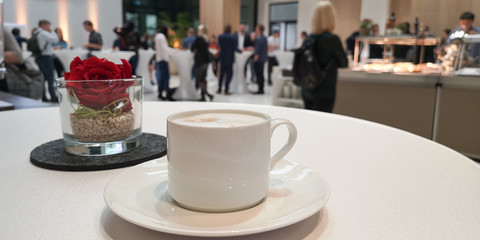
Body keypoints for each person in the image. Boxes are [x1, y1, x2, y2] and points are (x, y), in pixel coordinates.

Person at [301, 1, 348, 112]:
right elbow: (344, 63)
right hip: (324, 91)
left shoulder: (308, 39)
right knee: (322, 124)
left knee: (309, 120)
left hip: (307, 88)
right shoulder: (332, 39)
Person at [35, 19, 59, 102]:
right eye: (48, 25)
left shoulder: (37, 33)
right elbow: (55, 40)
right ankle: (53, 96)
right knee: (50, 78)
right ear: (43, 25)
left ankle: (44, 97)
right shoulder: (44, 33)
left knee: (43, 78)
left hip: (39, 57)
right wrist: (52, 31)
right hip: (46, 58)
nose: (49, 27)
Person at [191, 24, 214, 101]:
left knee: (199, 79)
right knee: (203, 79)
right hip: (206, 61)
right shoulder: (206, 39)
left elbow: (192, 48)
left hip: (199, 61)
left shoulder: (199, 38)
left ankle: (207, 94)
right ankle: (203, 96)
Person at [154, 25, 175, 100]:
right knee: (165, 77)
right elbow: (165, 48)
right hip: (163, 59)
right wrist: (174, 51)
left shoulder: (158, 36)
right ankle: (167, 94)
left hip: (160, 59)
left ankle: (160, 93)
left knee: (161, 77)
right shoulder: (162, 36)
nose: (169, 32)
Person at [217, 24, 238, 95]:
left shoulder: (220, 37)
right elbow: (235, 48)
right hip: (229, 58)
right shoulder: (232, 37)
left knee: (221, 74)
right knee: (229, 74)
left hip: (222, 57)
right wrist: (241, 51)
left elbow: (219, 45)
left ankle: (219, 89)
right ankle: (226, 89)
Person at [252, 24, 268, 94]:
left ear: (259, 30)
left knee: (259, 74)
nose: (255, 30)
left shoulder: (261, 38)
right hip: (261, 58)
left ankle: (260, 89)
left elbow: (258, 49)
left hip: (259, 59)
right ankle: (261, 89)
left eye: (256, 28)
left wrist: (255, 57)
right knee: (260, 74)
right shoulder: (262, 38)